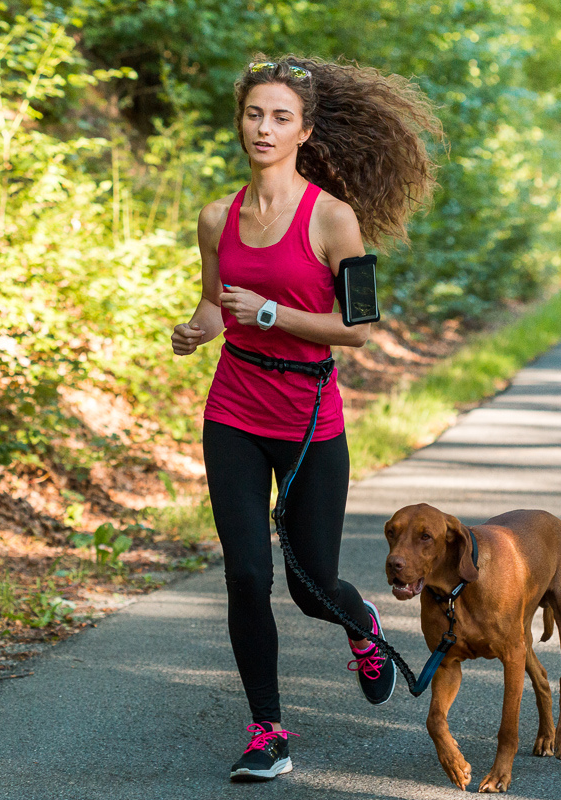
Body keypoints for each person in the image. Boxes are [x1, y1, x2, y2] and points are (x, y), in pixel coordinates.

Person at [171, 55, 440, 782]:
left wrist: (270, 312)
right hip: (234, 406)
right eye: (254, 114)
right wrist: (198, 328)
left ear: (305, 130)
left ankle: (364, 631)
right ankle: (267, 731)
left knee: (311, 583)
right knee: (245, 574)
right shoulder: (215, 217)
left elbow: (357, 328)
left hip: (311, 417)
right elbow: (213, 298)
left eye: (280, 117)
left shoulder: (333, 218)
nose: (264, 127)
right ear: (241, 123)